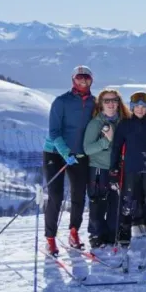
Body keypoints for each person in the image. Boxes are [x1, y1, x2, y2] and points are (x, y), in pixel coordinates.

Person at [42, 65, 96, 255]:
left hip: (80, 155)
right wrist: (66, 153)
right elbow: (54, 131)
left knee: (79, 195)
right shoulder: (61, 101)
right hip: (55, 153)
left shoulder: (93, 103)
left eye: (87, 78)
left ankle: (74, 232)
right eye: (79, 78)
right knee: (55, 195)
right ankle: (50, 238)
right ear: (73, 80)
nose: (83, 81)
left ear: (91, 80)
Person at [109, 92, 146, 246]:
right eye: (137, 107)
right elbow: (116, 148)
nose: (140, 110)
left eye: (144, 107)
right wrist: (113, 169)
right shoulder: (124, 125)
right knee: (128, 200)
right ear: (132, 107)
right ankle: (124, 232)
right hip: (130, 168)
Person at [82, 87, 127, 249]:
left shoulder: (123, 122)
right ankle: (96, 234)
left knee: (116, 202)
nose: (110, 104)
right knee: (97, 202)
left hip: (118, 168)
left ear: (118, 103)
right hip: (98, 168)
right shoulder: (96, 123)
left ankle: (112, 233)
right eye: (106, 101)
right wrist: (106, 141)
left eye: (114, 100)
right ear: (101, 104)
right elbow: (87, 149)